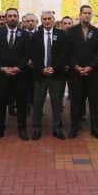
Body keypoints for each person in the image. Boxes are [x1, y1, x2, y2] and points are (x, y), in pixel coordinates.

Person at [0, 8, 30, 140]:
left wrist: (19, 68)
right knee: (1, 102)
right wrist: (2, 68)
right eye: (10, 16)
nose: (12, 18)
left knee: (21, 103)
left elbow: (26, 54)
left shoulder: (24, 34)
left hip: (20, 75)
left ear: (18, 18)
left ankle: (22, 128)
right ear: (6, 18)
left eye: (14, 16)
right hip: (3, 75)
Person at [29, 10, 69, 140]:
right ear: (41, 21)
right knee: (38, 102)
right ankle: (36, 128)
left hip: (57, 75)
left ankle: (57, 128)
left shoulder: (62, 35)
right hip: (40, 75)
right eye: (44, 19)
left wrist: (54, 68)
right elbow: (33, 55)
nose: (47, 21)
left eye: (49, 18)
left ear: (53, 20)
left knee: (57, 103)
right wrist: (42, 69)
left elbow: (64, 54)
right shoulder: (35, 36)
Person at [66, 5, 98, 138]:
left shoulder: (97, 32)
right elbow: (68, 51)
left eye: (89, 13)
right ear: (80, 14)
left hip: (92, 73)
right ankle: (74, 127)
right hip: (76, 73)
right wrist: (76, 66)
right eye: (85, 13)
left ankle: (95, 128)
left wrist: (91, 67)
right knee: (76, 101)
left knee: (94, 102)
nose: (87, 15)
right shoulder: (71, 31)